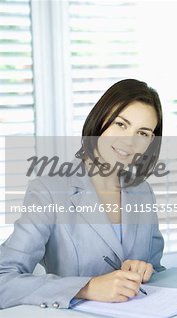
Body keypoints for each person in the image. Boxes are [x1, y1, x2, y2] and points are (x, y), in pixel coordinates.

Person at [0, 79, 165, 309]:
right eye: (121, 124)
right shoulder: (48, 191)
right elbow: (3, 280)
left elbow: (156, 269)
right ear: (100, 121)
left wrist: (145, 270)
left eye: (143, 133)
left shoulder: (142, 192)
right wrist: (86, 288)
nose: (129, 141)